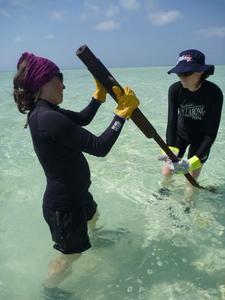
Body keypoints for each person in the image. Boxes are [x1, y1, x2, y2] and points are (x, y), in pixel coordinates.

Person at [13, 52, 140, 299]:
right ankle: (48, 290)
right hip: (64, 206)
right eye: (58, 78)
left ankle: (98, 239)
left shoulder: (47, 111)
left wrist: (98, 98)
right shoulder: (48, 118)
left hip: (77, 194)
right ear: (43, 82)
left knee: (94, 216)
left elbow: (82, 119)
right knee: (71, 254)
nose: (64, 83)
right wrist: (121, 115)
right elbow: (99, 147)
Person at [158, 49, 223, 206]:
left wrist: (194, 160)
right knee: (167, 171)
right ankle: (163, 195)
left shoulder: (214, 93)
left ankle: (187, 205)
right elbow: (171, 122)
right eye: (179, 73)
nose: (181, 77)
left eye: (186, 74)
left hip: (201, 139)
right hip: (180, 134)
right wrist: (169, 149)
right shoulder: (175, 90)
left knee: (190, 180)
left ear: (200, 72)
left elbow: (211, 132)